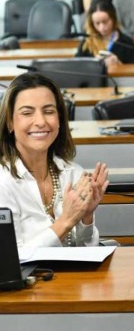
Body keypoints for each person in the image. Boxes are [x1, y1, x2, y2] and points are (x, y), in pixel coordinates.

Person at [0, 73, 109, 248]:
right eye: (27, 113)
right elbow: (11, 261)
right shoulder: (3, 182)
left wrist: (86, 218)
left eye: (49, 111)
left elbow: (87, 252)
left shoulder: (74, 173)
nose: (41, 121)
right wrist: (65, 222)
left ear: (59, 120)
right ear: (10, 123)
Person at [75, 0, 134, 65]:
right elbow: (77, 68)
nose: (102, 28)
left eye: (105, 22)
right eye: (97, 23)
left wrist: (119, 64)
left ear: (113, 18)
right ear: (91, 23)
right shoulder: (86, 44)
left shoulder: (126, 43)